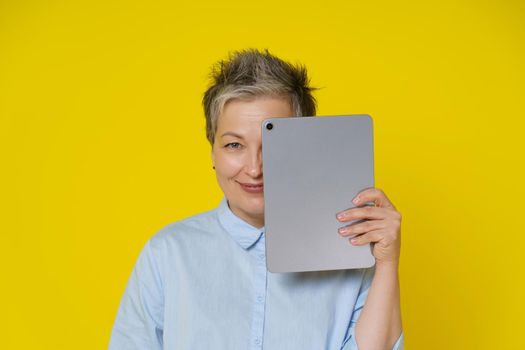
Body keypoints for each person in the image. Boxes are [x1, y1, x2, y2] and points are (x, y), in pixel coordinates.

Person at [109, 49, 404, 350]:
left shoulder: (351, 252)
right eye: (234, 144)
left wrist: (388, 262)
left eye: (272, 145)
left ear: (304, 148)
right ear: (213, 152)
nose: (254, 168)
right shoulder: (167, 254)